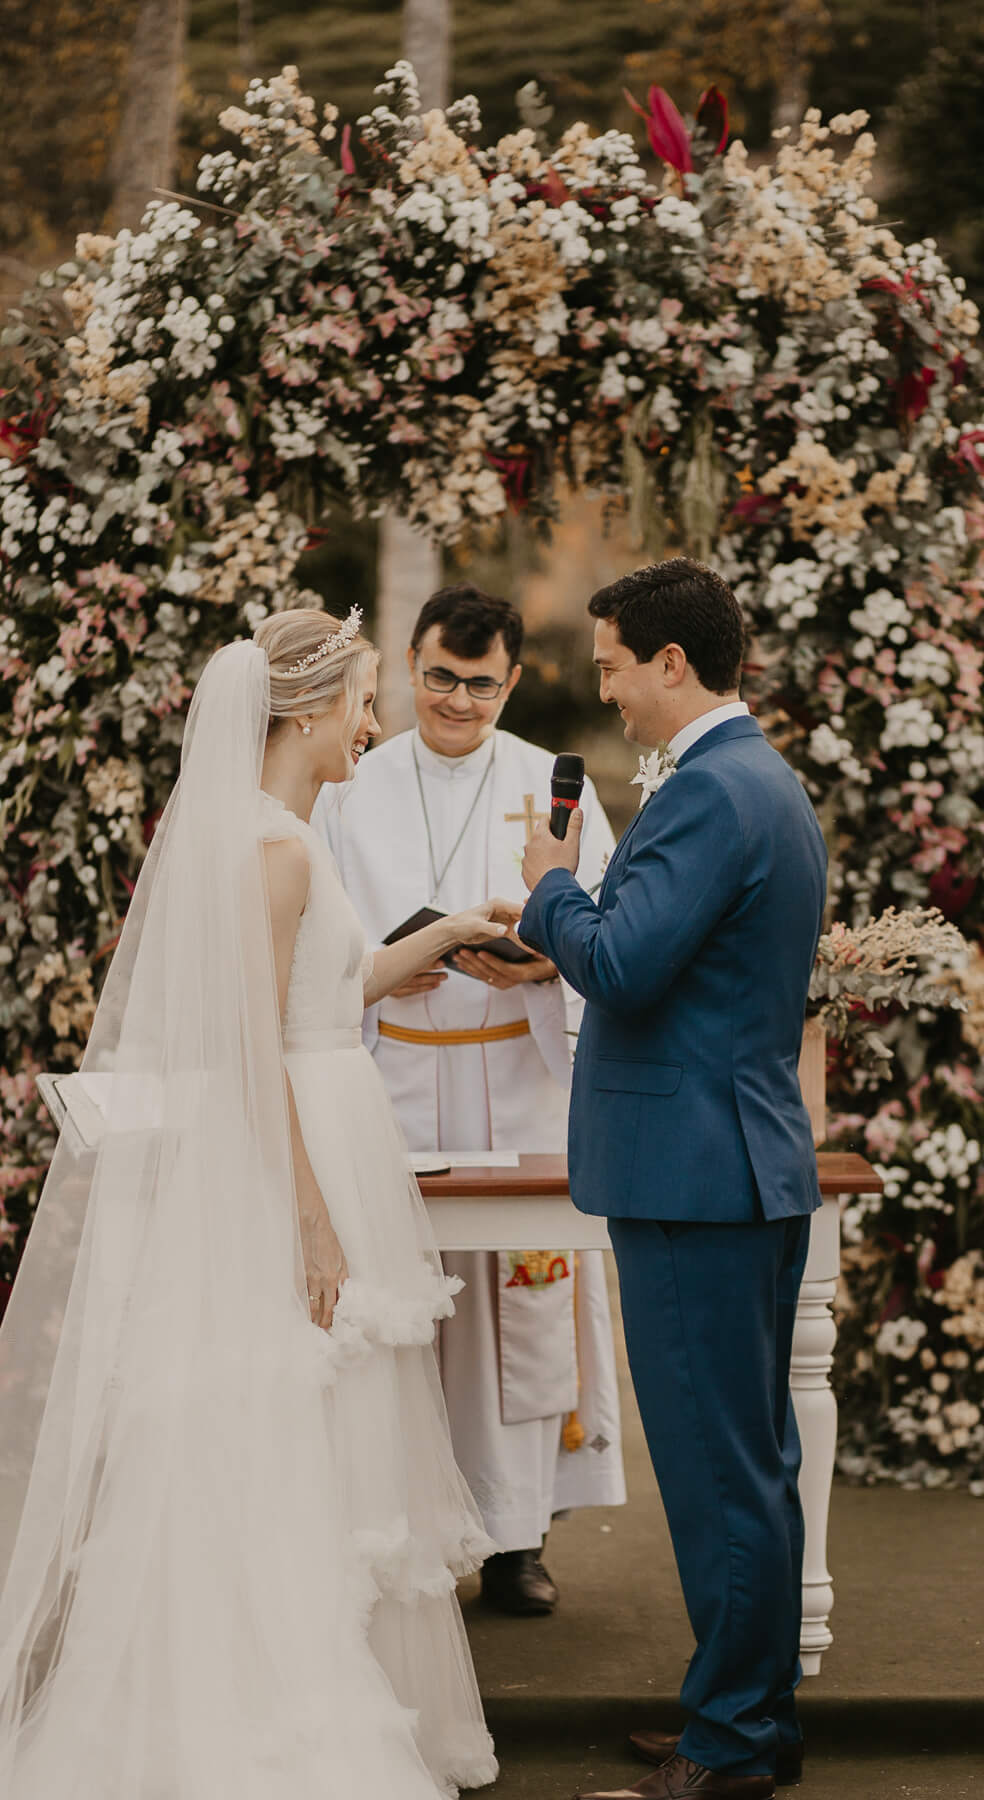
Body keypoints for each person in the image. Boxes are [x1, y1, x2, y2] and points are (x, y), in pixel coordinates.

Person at [0, 607, 853, 1800]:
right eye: (372, 696)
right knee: (276, 1447)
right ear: (309, 704)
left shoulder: (288, 837)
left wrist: (442, 936)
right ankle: (268, 1735)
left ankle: (686, 1724)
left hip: (385, 1133)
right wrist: (312, 1211)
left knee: (330, 1455)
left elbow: (326, 989)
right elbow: (255, 1040)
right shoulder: (269, 844)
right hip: (300, 1159)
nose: (383, 720)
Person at [519, 560, 827, 1800]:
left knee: (715, 1466)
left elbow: (625, 967)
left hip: (699, 1173)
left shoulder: (711, 791)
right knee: (748, 1456)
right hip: (733, 1157)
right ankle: (748, 1708)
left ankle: (730, 1741)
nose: (604, 687)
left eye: (610, 665)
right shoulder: (757, 781)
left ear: (671, 665)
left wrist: (549, 885)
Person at [315, 584, 625, 1618]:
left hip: (514, 1075)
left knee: (520, 1310)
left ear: (513, 679)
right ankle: (396, 1530)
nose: (457, 699)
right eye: (440, 676)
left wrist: (546, 969)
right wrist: (371, 969)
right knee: (405, 1311)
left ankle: (516, 1538)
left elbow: (614, 933)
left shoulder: (553, 785)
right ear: (409, 664)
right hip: (394, 1071)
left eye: (480, 683)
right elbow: (307, 927)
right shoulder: (349, 785)